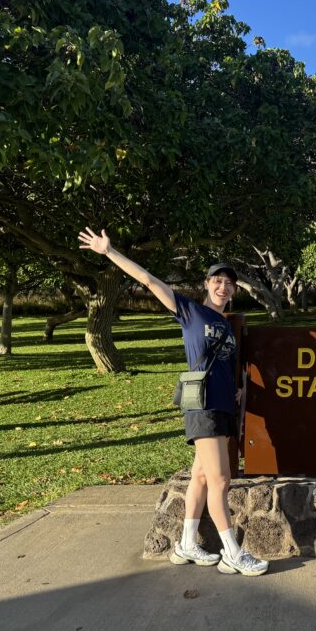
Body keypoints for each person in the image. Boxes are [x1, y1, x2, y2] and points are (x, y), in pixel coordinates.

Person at [77, 228, 268, 577]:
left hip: (222, 406)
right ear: (206, 284)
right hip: (203, 408)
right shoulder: (190, 311)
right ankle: (232, 553)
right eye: (217, 281)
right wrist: (109, 252)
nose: (223, 287)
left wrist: (237, 390)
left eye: (229, 283)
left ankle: (186, 544)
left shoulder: (226, 325)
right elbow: (149, 280)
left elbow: (225, 365)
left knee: (201, 476)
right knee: (220, 480)